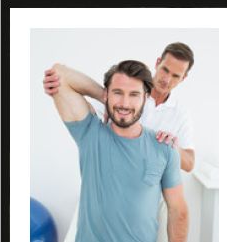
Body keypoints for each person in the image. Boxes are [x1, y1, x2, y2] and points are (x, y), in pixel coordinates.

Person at [44, 60, 188, 242]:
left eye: (134, 94)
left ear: (146, 97)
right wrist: (105, 97)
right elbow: (60, 74)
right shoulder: (90, 132)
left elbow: (179, 210)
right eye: (118, 92)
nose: (124, 102)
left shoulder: (164, 147)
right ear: (107, 94)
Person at [43, 42, 195, 172]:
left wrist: (172, 147)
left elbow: (189, 164)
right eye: (165, 70)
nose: (167, 79)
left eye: (176, 76)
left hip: (149, 192)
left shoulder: (180, 113)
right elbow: (60, 74)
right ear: (157, 63)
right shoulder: (124, 91)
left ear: (184, 78)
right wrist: (105, 97)